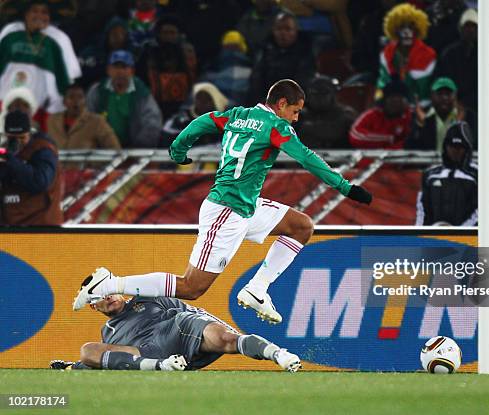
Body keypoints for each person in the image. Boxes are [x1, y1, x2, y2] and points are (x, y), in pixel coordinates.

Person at [72, 79, 372, 325]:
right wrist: (345, 187)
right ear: (281, 104)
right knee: (191, 288)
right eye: (295, 111)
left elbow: (202, 121)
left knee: (301, 226)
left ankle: (257, 288)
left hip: (246, 207)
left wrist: (178, 149)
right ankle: (109, 284)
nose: (296, 118)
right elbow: (306, 157)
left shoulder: (237, 115)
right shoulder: (276, 127)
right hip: (226, 212)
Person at [52, 294, 302, 372]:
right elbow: (108, 361)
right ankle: (163, 366)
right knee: (88, 350)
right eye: (99, 298)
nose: (108, 298)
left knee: (227, 339)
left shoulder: (148, 298)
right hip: (151, 355)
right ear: (94, 306)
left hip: (178, 330)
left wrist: (226, 328)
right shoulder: (107, 333)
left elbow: (194, 311)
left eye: (109, 290)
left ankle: (277, 354)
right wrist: (73, 367)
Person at [0, 0, 81, 114]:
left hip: (41, 112)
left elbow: (68, 82)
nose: (40, 16)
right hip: (4, 107)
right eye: (35, 11)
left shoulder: (59, 39)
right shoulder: (11, 31)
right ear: (26, 13)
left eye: (45, 12)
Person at [86, 50, 162, 148]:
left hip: (135, 150)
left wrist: (138, 147)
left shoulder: (141, 92)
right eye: (116, 67)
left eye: (124, 67)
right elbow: (87, 120)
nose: (120, 71)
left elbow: (153, 122)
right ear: (108, 70)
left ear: (132, 71)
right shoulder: (97, 91)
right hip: (102, 149)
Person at [0, 110, 63, 226]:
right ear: (6, 136)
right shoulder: (4, 152)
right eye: (12, 139)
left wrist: (12, 162)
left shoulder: (43, 150)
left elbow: (40, 182)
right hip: (10, 226)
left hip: (40, 227)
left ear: (29, 133)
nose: (17, 143)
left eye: (22, 138)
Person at [415, 121, 477, 226]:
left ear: (467, 149)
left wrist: (458, 232)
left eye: (459, 147)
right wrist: (420, 233)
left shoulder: (477, 175)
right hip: (433, 236)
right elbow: (422, 209)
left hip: (468, 237)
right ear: (445, 147)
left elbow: (480, 210)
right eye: (451, 146)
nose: (455, 151)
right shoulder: (430, 175)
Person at [248, 12, 316, 106]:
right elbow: (256, 79)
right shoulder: (265, 49)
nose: (283, 33)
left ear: (296, 30)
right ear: (273, 30)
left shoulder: (306, 51)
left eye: (288, 29)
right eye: (279, 29)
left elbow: (303, 82)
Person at [136, 15, 196, 119]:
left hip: (183, 105)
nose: (168, 37)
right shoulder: (148, 52)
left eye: (172, 33)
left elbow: (193, 78)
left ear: (178, 35)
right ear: (159, 34)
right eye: (165, 33)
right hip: (154, 105)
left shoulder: (187, 53)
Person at [376, 3, 436, 107]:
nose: (407, 32)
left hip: (421, 107)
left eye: (411, 27)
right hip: (392, 106)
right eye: (402, 27)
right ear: (395, 30)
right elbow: (382, 83)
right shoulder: (387, 53)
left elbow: (424, 92)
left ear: (417, 30)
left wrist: (406, 71)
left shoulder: (428, 55)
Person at [407, 77, 477, 152]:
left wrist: (459, 125)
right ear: (431, 96)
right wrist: (420, 126)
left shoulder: (468, 116)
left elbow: (473, 145)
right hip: (428, 163)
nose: (444, 98)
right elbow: (411, 147)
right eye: (439, 94)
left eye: (448, 94)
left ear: (455, 95)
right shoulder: (419, 116)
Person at [47, 83, 121, 150]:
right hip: (57, 164)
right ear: (64, 101)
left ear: (85, 101)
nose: (76, 101)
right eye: (71, 97)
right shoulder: (52, 121)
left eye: (80, 97)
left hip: (85, 164)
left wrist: (94, 163)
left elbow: (115, 149)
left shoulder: (96, 121)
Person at [434, 8, 478, 112]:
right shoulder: (449, 53)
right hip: (451, 105)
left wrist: (467, 102)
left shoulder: (485, 54)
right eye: (467, 26)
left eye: (473, 26)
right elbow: (442, 80)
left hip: (477, 105)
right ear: (460, 29)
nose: (470, 30)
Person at [160, 82, 229, 148]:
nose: (203, 102)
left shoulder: (222, 121)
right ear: (194, 99)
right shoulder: (180, 120)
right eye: (199, 98)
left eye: (208, 99)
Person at [349, 78, 412, 149]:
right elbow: (356, 136)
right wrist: (390, 138)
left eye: (400, 98)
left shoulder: (412, 117)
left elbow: (411, 143)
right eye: (392, 98)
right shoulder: (371, 115)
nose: (396, 102)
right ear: (384, 101)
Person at [295, 75, 356, 149]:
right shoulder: (299, 115)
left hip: (338, 156)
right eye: (314, 93)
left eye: (324, 93)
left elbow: (334, 132)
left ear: (333, 95)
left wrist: (310, 127)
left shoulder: (345, 114)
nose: (319, 97)